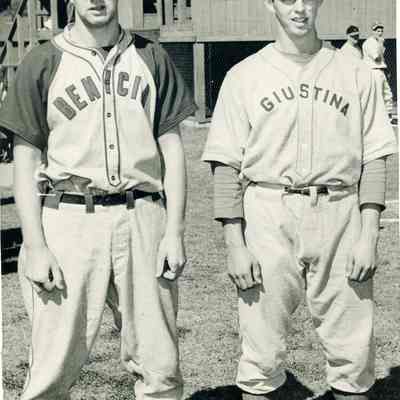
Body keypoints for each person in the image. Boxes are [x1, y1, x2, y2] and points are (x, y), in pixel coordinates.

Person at [0, 0, 196, 397]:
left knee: (160, 366)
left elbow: (173, 152)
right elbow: (25, 163)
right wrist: (35, 246)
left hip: (142, 214)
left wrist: (173, 231)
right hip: (68, 217)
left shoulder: (151, 57)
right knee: (51, 371)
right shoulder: (42, 61)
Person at [202, 1, 397, 400]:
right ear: (270, 3)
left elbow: (375, 159)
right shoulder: (244, 76)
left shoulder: (355, 73)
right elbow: (225, 165)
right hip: (268, 210)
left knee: (353, 353)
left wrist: (369, 236)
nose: (300, 8)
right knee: (261, 351)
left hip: (339, 211)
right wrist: (235, 245)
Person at [362, 22, 394, 119]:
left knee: (387, 93)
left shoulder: (377, 42)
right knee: (377, 94)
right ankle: (376, 117)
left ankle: (388, 115)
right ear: (373, 31)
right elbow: (377, 58)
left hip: (380, 70)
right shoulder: (369, 43)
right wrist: (380, 44)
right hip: (373, 70)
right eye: (377, 31)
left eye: (381, 31)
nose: (380, 33)